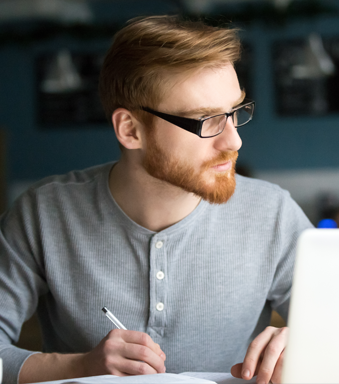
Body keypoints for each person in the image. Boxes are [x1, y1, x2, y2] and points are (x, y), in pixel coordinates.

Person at [0, 16, 312, 384]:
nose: (234, 141)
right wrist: (80, 367)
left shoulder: (273, 214)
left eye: (234, 112)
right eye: (206, 119)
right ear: (130, 130)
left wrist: (307, 345)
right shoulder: (42, 214)